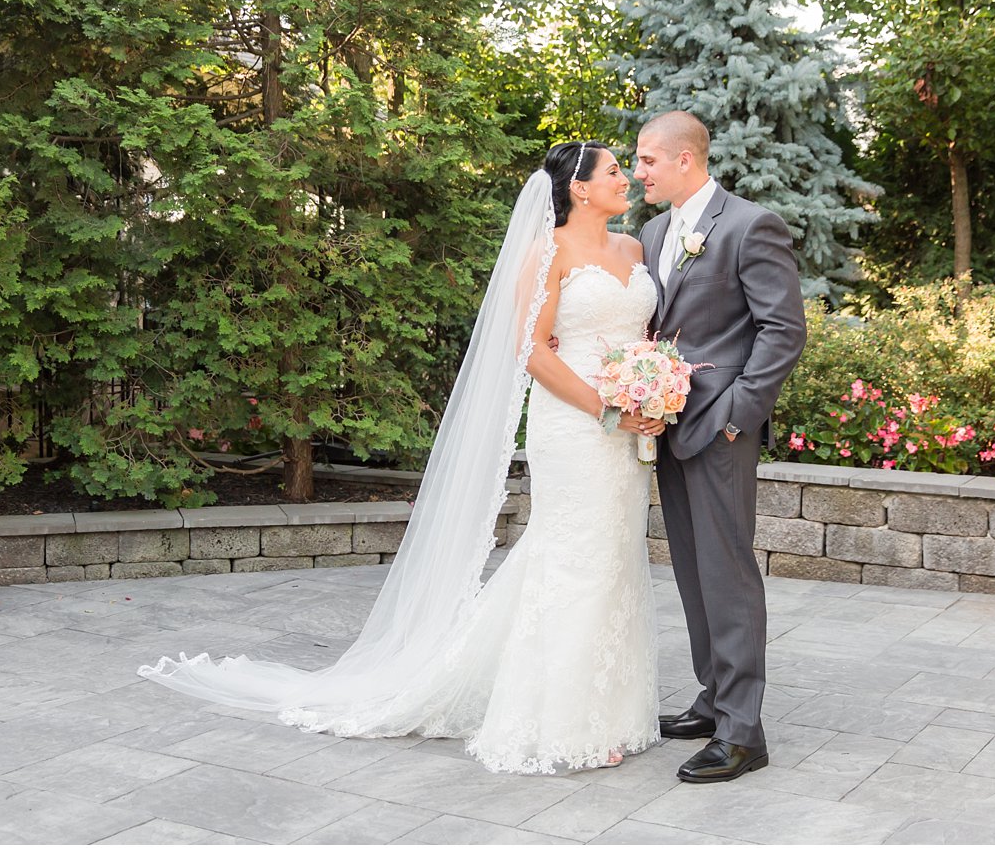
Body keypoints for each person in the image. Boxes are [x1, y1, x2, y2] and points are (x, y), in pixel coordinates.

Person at [140, 141, 665, 774]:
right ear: (579, 188)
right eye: (613, 171)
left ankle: (611, 709)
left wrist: (650, 385)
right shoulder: (545, 252)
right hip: (578, 425)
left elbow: (641, 336)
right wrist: (606, 407)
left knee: (614, 557)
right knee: (574, 561)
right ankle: (563, 719)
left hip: (629, 428)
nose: (626, 179)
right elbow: (531, 351)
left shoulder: (634, 250)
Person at [633, 110, 807, 783]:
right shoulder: (652, 231)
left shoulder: (748, 224)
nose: (639, 170)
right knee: (691, 568)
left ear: (684, 159)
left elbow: (782, 331)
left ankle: (743, 731)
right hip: (670, 423)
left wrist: (739, 414)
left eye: (647, 159)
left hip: (723, 429)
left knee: (728, 572)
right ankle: (712, 700)